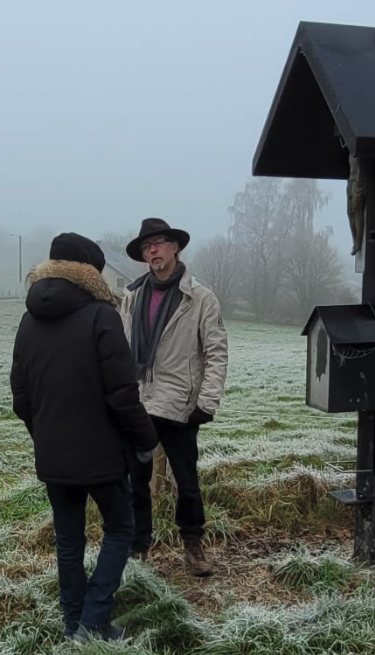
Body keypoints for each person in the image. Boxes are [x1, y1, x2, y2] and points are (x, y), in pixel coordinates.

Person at [10, 233, 157, 643]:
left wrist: (44, 434)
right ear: (90, 272)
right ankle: (93, 622)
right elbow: (123, 393)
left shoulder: (29, 317)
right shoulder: (101, 316)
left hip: (54, 453)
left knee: (69, 537)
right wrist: (145, 440)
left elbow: (20, 395)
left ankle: (73, 621)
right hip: (103, 454)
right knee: (120, 527)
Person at [121, 218, 228, 577]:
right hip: (139, 402)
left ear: (175, 248)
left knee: (187, 480)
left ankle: (193, 544)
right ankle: (139, 548)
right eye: (147, 246)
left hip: (181, 405)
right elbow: (120, 350)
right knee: (137, 481)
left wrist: (207, 402)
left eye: (159, 243)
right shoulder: (132, 296)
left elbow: (216, 352)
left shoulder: (199, 297)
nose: (152, 250)